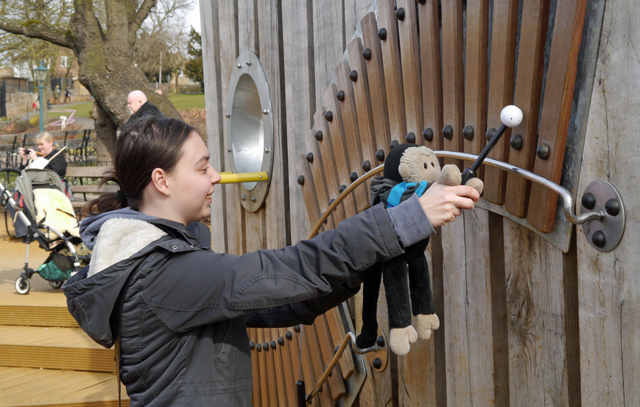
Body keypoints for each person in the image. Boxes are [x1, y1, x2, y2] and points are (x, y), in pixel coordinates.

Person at [63, 116, 479, 406]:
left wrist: (365, 261)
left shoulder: (163, 260)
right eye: (204, 166)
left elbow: (277, 302)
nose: (217, 177)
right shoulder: (159, 272)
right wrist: (405, 220)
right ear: (161, 180)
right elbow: (285, 270)